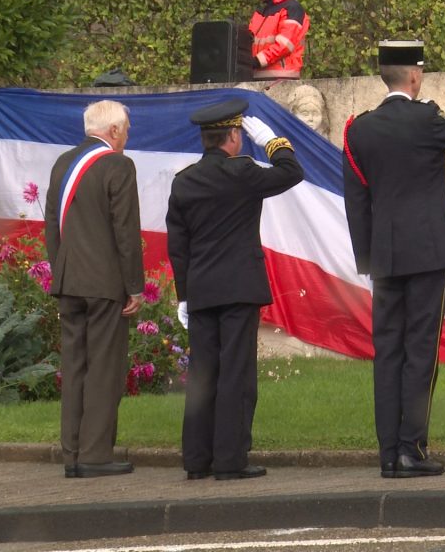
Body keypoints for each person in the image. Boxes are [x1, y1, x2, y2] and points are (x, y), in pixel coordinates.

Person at [342, 41, 445, 478]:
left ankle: (388, 454)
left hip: (386, 257)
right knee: (420, 352)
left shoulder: (358, 129)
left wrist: (368, 258)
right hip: (429, 252)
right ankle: (411, 449)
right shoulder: (428, 119)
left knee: (387, 352)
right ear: (414, 77)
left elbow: (356, 201)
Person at [166, 99, 303, 481]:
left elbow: (179, 246)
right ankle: (230, 460)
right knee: (236, 376)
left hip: (202, 290)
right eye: (240, 133)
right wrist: (274, 143)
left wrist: (184, 295)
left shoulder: (185, 180)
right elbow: (292, 172)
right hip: (239, 288)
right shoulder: (243, 172)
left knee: (203, 375)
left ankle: (197, 460)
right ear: (232, 136)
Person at [44, 100, 144, 479]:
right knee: (104, 368)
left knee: (75, 368)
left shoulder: (62, 164)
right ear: (114, 131)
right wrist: (135, 286)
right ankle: (96, 455)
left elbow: (52, 225)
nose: (127, 136)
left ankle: (71, 454)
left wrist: (61, 270)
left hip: (68, 281)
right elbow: (125, 230)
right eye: (127, 130)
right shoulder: (118, 165)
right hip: (104, 285)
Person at [246, 0, 310, 80]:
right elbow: (248, 42)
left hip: (283, 79)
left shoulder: (292, 8)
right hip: (257, 78)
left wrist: (256, 61)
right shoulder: (260, 12)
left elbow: (285, 45)